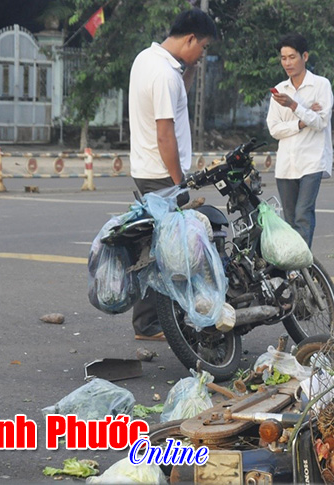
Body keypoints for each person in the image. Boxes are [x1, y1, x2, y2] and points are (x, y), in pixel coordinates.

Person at [128, 8, 217, 341]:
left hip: (146, 168)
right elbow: (165, 132)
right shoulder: (164, 74)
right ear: (190, 38)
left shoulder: (147, 61)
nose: (203, 54)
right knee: (171, 253)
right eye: (203, 47)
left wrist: (189, 71)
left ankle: (149, 322)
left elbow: (175, 102)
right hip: (162, 174)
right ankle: (151, 324)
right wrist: (180, 181)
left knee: (157, 248)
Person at [266, 33, 333, 248]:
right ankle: (292, 266)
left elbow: (321, 122)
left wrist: (294, 107)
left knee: (303, 214)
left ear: (305, 56)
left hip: (311, 161)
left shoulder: (321, 85)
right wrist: (302, 121)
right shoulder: (279, 91)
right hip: (286, 164)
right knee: (289, 219)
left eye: (292, 57)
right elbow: (274, 129)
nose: (287, 63)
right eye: (283, 58)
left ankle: (302, 267)